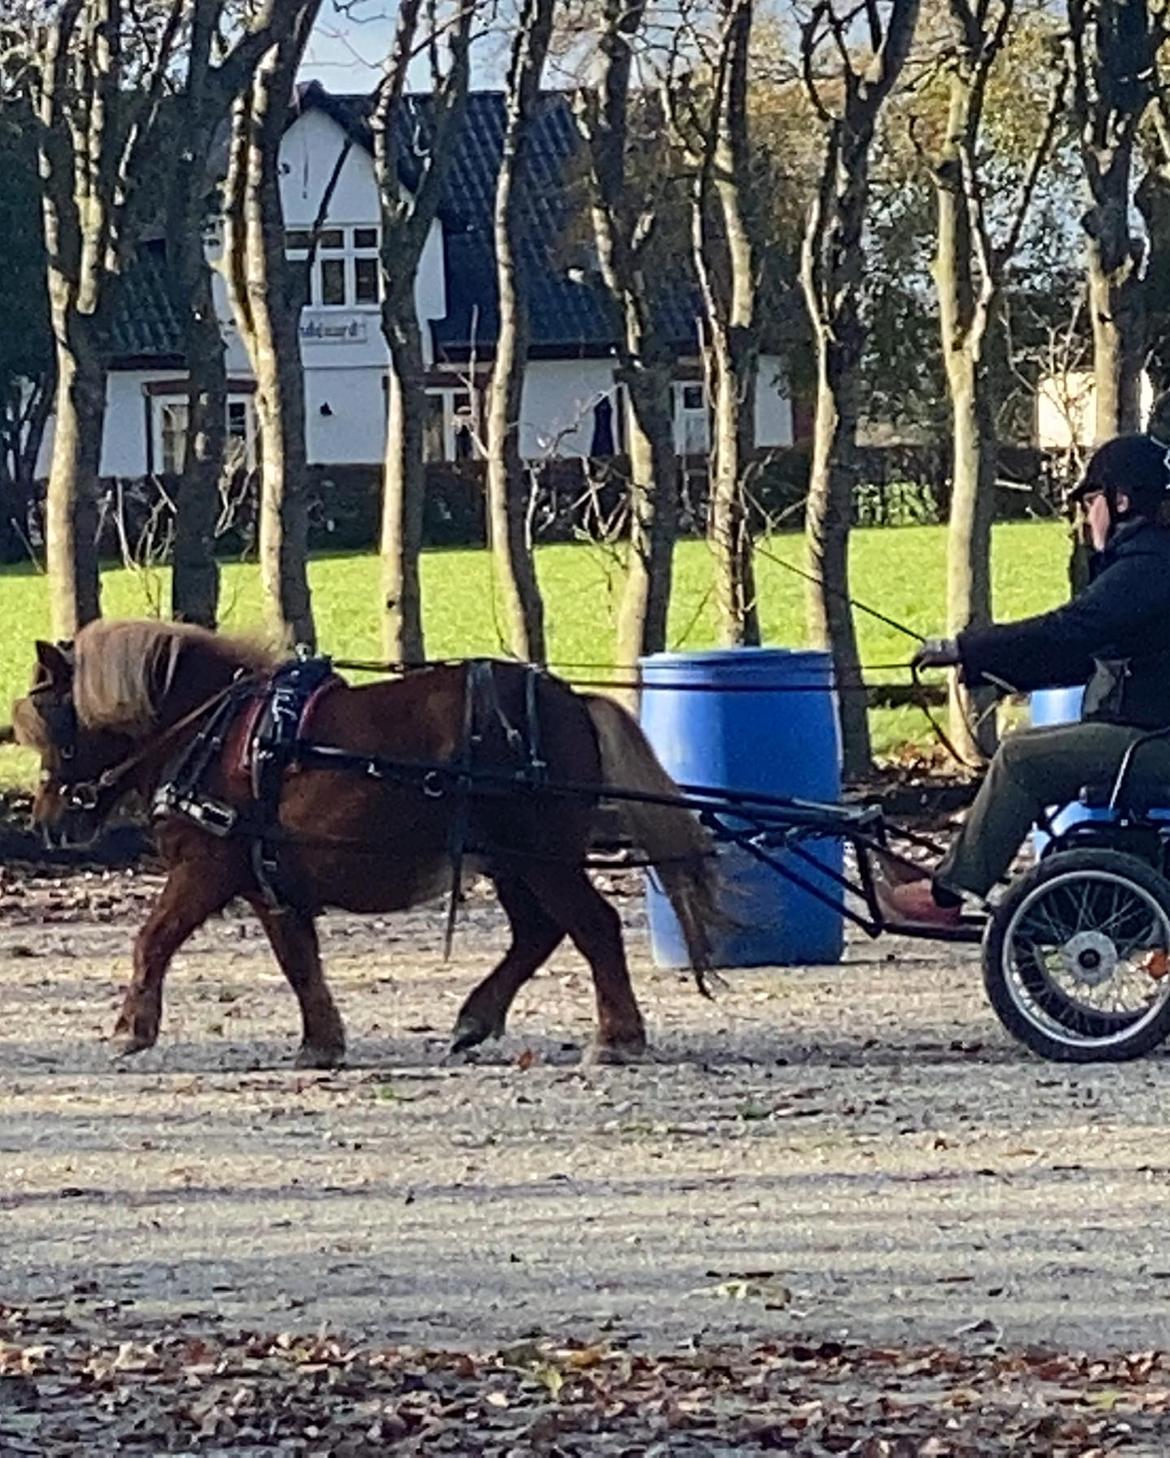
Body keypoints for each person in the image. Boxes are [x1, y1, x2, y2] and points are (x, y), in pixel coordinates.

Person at [881, 432, 1170, 927]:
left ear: (1121, 501)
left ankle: (944, 899)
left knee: (1020, 759)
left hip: (1153, 741)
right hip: (1149, 730)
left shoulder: (1147, 564)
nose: (1086, 516)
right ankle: (956, 871)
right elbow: (1088, 657)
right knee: (1028, 753)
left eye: (1091, 501)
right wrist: (987, 668)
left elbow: (1072, 629)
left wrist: (965, 647)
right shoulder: (1150, 561)